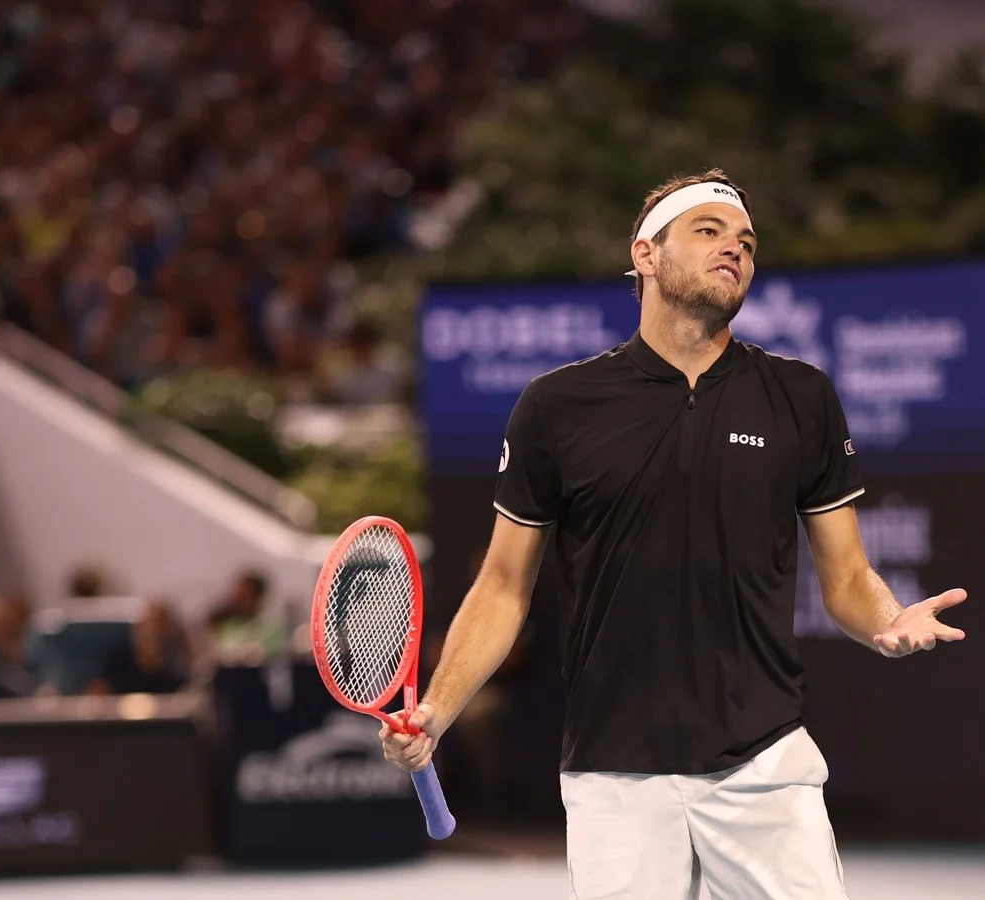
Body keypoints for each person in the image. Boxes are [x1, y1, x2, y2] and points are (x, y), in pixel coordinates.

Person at [379, 169, 969, 899]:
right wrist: (436, 709)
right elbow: (503, 587)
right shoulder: (556, 406)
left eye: (747, 242)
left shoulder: (802, 396)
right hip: (613, 775)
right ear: (647, 255)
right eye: (710, 231)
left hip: (764, 763)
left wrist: (886, 621)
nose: (736, 250)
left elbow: (847, 576)